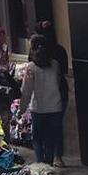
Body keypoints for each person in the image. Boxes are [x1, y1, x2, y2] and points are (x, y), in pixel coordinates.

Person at [20, 35, 68, 166]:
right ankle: (49, 164)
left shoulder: (31, 67)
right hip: (55, 107)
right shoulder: (55, 65)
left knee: (37, 139)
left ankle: (41, 164)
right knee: (50, 139)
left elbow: (26, 90)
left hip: (38, 108)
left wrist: (22, 108)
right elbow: (59, 82)